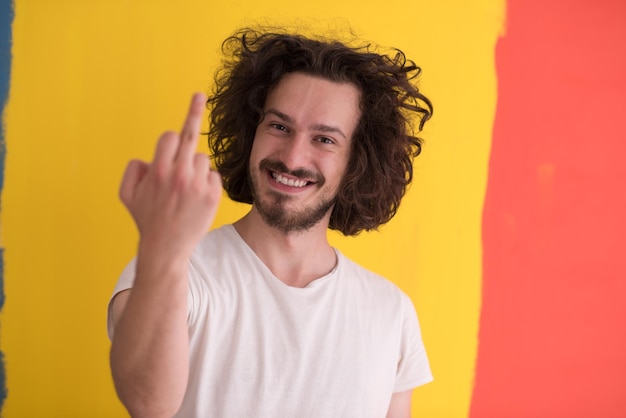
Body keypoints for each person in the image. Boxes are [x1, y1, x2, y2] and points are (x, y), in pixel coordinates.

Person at [108, 28, 433, 418]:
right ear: (252, 132)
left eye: (325, 139)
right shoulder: (175, 272)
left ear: (356, 161)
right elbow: (146, 403)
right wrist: (162, 248)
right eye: (279, 126)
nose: (293, 157)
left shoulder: (390, 311)